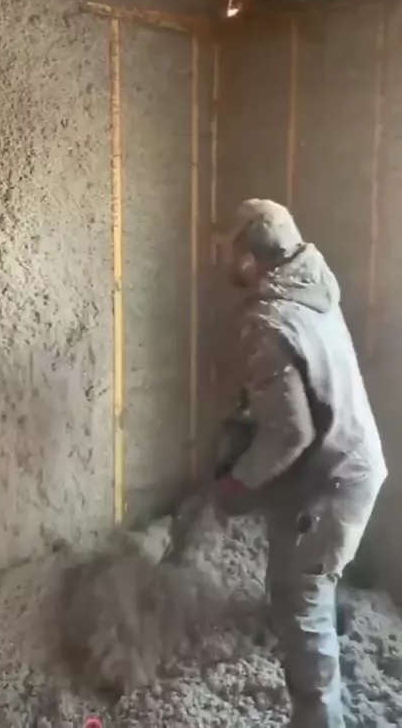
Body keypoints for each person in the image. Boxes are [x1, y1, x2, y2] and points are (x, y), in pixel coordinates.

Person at [215, 199, 387, 728]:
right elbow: (301, 384)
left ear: (249, 260)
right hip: (352, 460)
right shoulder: (312, 288)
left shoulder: (269, 322)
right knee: (308, 572)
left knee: (301, 599)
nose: (221, 257)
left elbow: (290, 433)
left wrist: (238, 483)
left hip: (331, 481)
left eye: (226, 248)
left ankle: (319, 718)